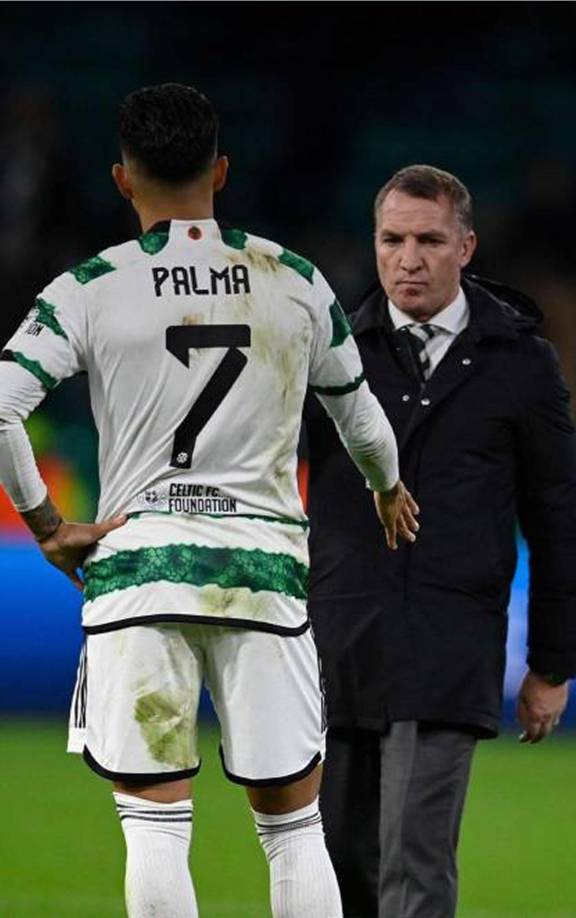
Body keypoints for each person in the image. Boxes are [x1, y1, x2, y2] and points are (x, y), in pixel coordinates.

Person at [0, 84, 419, 918]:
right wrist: (388, 489)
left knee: (154, 828)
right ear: (220, 170)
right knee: (294, 827)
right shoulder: (293, 279)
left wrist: (46, 524)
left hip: (140, 571)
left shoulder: (89, 285)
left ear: (123, 179)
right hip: (262, 575)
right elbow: (362, 420)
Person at [305, 164, 576, 918]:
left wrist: (553, 663)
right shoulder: (330, 357)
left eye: (429, 240)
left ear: (466, 247)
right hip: (341, 642)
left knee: (414, 868)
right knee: (336, 867)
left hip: (448, 642)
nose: (408, 258)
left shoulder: (520, 363)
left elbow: (558, 517)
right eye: (393, 239)